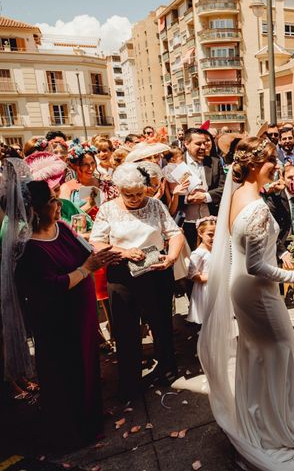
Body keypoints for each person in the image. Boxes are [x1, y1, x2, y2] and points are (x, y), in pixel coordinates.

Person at [197, 136, 294, 470]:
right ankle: (275, 425)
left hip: (241, 288)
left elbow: (243, 251)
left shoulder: (238, 196)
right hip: (258, 290)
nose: (277, 165)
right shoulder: (257, 208)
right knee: (279, 348)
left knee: (257, 352)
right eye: (272, 160)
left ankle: (258, 413)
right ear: (258, 164)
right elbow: (255, 265)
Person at [15, 178, 119, 450]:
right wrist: (86, 268)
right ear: (35, 210)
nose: (59, 203)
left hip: (82, 314)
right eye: (52, 200)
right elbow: (51, 287)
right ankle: (72, 429)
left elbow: (86, 253)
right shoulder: (29, 249)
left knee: (87, 364)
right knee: (66, 371)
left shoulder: (61, 227)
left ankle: (90, 415)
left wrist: (108, 255)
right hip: (57, 321)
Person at [90, 163, 185, 401]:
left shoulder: (155, 204)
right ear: (118, 190)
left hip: (156, 270)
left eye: (139, 193)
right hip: (122, 275)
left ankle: (167, 368)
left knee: (161, 323)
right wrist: (123, 251)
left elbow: (174, 233)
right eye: (128, 194)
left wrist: (172, 257)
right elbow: (97, 242)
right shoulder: (108, 209)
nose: (134, 199)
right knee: (125, 329)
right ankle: (130, 381)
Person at [178, 128, 226, 249]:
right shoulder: (177, 164)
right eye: (198, 144)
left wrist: (205, 197)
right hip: (186, 224)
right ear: (186, 143)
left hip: (211, 224)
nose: (203, 147)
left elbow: (224, 188)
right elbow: (168, 196)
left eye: (205, 143)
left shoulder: (214, 163)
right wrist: (186, 199)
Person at [60, 141, 118, 218]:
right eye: (85, 164)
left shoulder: (106, 185)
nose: (91, 168)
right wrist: (89, 205)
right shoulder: (66, 188)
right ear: (74, 166)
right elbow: (67, 218)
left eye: (92, 163)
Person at [186, 216, 216, 324]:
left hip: (218, 287)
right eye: (210, 235)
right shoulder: (198, 253)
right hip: (205, 289)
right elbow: (192, 275)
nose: (214, 238)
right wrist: (211, 277)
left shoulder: (217, 250)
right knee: (209, 318)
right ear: (200, 233)